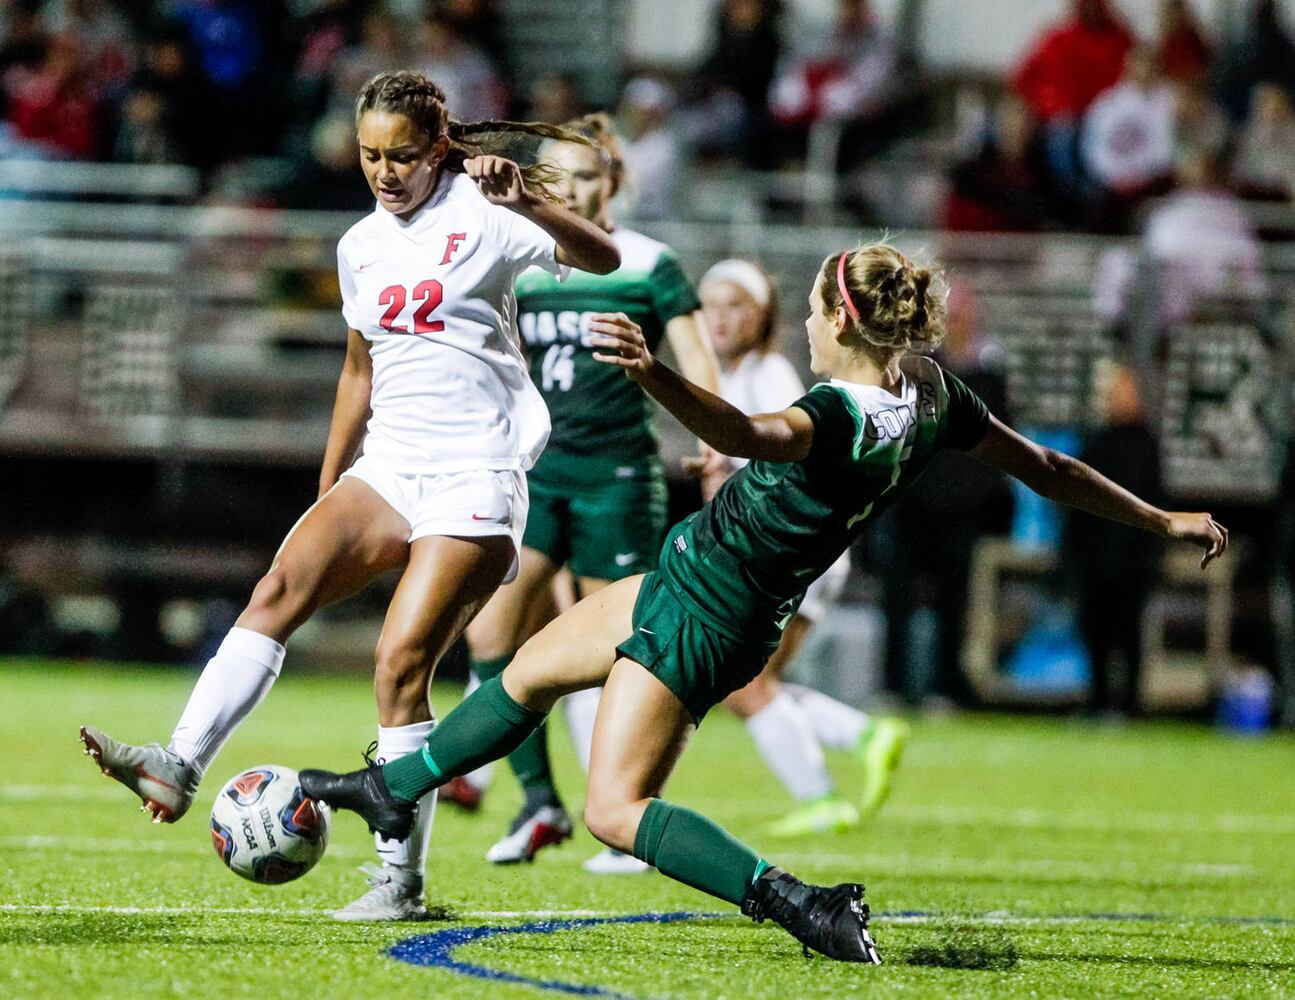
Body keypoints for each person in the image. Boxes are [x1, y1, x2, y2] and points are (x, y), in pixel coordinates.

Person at [300, 241, 1227, 962]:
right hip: (699, 580)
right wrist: (1161, 519)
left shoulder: (839, 417)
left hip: (710, 612)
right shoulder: (933, 395)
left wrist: (653, 373)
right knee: (530, 672)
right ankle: (382, 790)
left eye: (817, 312)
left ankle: (801, 905)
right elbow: (1050, 469)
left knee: (615, 811)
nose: (807, 331)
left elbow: (745, 429)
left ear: (840, 319)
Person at [79, 70, 619, 922]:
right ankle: (177, 765)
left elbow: (603, 256)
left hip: (476, 469)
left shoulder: (486, 214)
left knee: (400, 667)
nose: (384, 171)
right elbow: (358, 368)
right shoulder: (360, 244)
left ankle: (398, 883)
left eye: (401, 155)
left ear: (437, 148)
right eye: (370, 155)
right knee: (275, 591)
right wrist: (333, 477)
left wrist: (533, 205)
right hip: (391, 464)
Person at [453, 113, 720, 873]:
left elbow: (696, 355)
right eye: (561, 177)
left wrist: (715, 438)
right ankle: (539, 801)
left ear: (615, 184)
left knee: (628, 654)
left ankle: (630, 808)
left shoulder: (647, 263)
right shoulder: (529, 259)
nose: (575, 188)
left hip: (618, 477)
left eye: (589, 177)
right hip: (536, 471)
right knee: (489, 640)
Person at [696, 258, 906, 837]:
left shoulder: (767, 375)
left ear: (762, 314)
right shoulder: (740, 375)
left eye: (735, 305)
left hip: (796, 549)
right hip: (798, 549)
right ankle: (860, 736)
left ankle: (823, 794)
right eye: (711, 305)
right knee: (748, 683)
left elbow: (791, 452)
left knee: (742, 684)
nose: (720, 318)